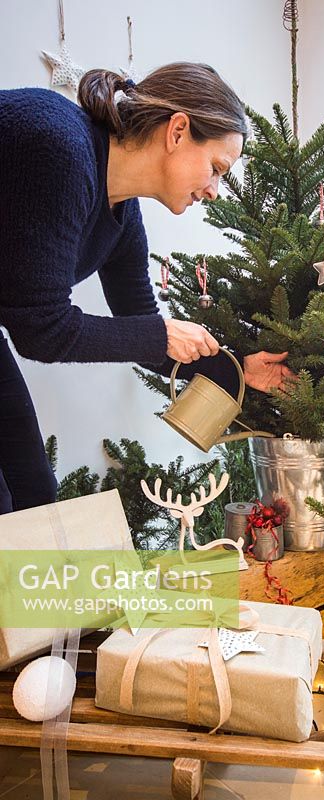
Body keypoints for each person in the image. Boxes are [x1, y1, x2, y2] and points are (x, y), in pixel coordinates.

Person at [0, 62, 293, 514]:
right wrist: (161, 333)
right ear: (177, 132)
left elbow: (142, 335)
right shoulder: (59, 148)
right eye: (216, 168)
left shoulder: (124, 220)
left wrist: (240, 369)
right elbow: (41, 328)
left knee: (32, 491)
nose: (215, 190)